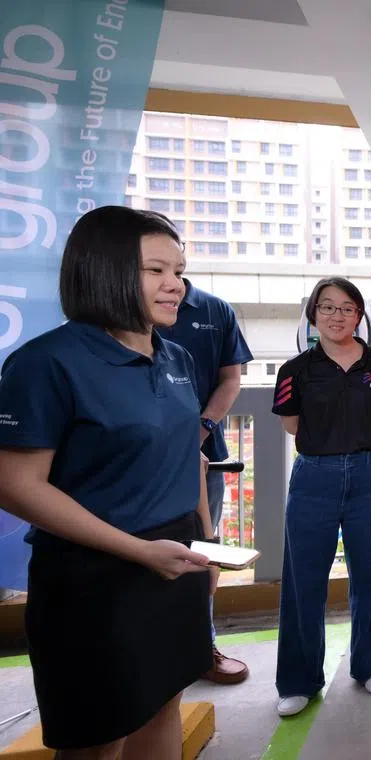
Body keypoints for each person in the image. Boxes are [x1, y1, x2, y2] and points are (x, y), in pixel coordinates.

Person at [0, 206, 217, 759]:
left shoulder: (176, 357)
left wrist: (208, 543)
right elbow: (16, 484)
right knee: (98, 739)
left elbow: (187, 455)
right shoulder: (46, 363)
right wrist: (139, 551)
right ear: (105, 272)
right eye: (156, 271)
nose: (176, 285)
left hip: (176, 559)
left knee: (165, 705)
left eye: (179, 271)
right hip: (94, 581)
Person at [271, 276, 371, 717]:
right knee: (304, 580)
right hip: (315, 477)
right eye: (327, 307)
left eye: (347, 308)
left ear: (359, 316)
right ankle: (298, 680)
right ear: (313, 315)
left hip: (369, 474)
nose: (336, 316)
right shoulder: (295, 370)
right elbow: (291, 424)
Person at [157, 278, 254, 684]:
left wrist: (201, 431)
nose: (167, 279)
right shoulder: (113, 316)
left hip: (204, 458)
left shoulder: (214, 311)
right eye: (154, 267)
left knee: (201, 551)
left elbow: (231, 379)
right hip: (139, 465)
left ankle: (202, 647)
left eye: (174, 265)